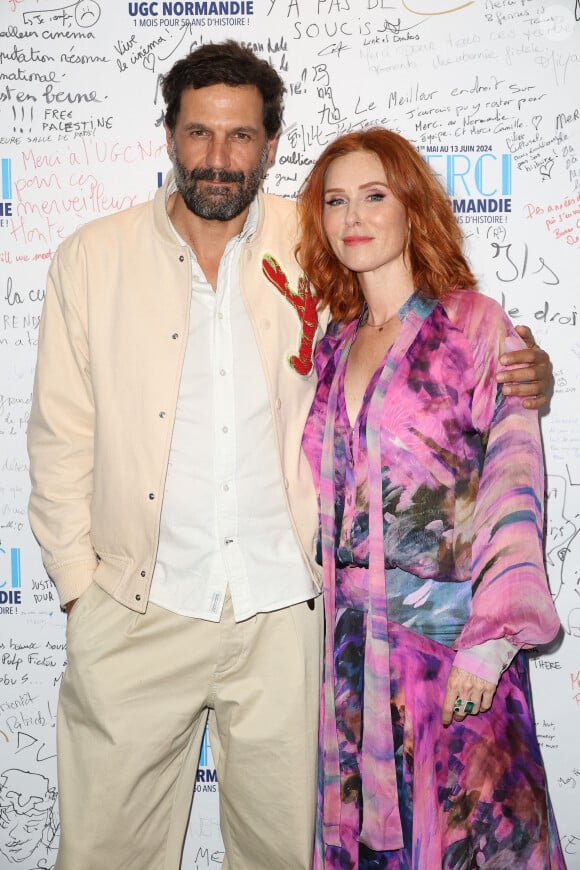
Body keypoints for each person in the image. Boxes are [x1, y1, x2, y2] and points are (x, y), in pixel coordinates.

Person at [26, 41, 552, 870]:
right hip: (138, 608)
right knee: (104, 854)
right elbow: (59, 435)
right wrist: (79, 591)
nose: (218, 156)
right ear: (168, 135)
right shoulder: (92, 259)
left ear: (270, 145)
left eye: (241, 137)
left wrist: (528, 369)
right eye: (199, 133)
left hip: (288, 622)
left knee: (288, 852)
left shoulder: (310, 242)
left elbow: (444, 367)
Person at [298, 128, 565, 869]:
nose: (354, 214)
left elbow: (515, 479)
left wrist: (492, 643)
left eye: (375, 195)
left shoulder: (474, 325)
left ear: (411, 207)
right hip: (354, 667)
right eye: (336, 199)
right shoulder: (331, 347)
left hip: (457, 664)